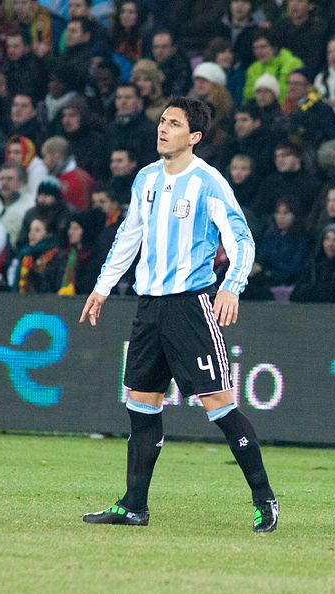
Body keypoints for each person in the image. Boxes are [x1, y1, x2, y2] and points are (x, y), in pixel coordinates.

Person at [79, 96, 278, 533]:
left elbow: (242, 241)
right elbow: (129, 236)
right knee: (141, 406)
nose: (162, 129)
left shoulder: (209, 183)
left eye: (173, 123)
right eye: (162, 121)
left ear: (195, 136)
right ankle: (134, 505)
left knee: (220, 407)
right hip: (148, 308)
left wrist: (231, 287)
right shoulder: (146, 178)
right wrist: (101, 286)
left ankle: (265, 499)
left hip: (191, 306)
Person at [290, 223, 335, 303]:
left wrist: (314, 291)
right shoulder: (313, 265)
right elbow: (295, 295)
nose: (330, 244)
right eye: (327, 239)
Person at [14, 215, 60, 293]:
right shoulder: (25, 254)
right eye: (30, 230)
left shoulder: (56, 256)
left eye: (37, 230)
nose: (32, 234)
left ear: (49, 234)